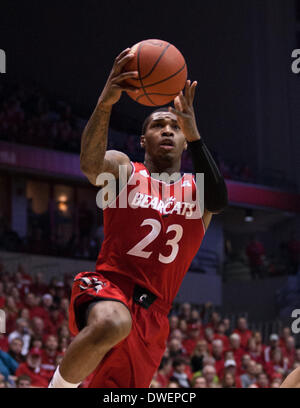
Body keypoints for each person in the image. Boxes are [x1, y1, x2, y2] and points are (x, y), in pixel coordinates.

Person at [49, 47, 227, 388]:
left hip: (153, 317)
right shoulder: (125, 169)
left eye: (175, 127)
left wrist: (196, 134)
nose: (167, 131)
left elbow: (220, 201)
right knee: (112, 323)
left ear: (184, 141)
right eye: (158, 125)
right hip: (109, 287)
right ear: (143, 139)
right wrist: (106, 101)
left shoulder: (197, 190)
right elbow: (89, 165)